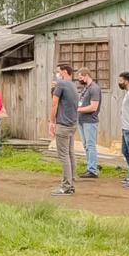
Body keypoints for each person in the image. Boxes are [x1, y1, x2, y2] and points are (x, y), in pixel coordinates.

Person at [50, 64, 79, 196]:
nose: (57, 74)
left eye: (58, 71)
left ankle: (66, 186)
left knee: (64, 155)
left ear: (65, 72)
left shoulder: (61, 84)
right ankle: (71, 182)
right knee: (70, 153)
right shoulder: (73, 85)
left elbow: (55, 103)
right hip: (72, 124)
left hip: (63, 124)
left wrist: (52, 122)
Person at [76, 68, 101, 179]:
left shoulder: (94, 88)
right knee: (86, 146)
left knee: (90, 145)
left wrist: (77, 110)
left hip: (89, 121)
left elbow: (93, 107)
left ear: (86, 75)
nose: (79, 80)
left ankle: (92, 170)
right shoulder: (86, 88)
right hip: (82, 121)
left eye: (80, 77)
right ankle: (91, 168)